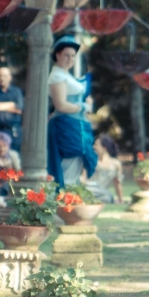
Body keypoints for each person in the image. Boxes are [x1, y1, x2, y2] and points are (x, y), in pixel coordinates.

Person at [47, 36, 97, 187]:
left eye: (73, 55)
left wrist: (85, 104)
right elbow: (60, 105)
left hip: (75, 126)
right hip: (66, 125)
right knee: (69, 164)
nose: (70, 59)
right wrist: (83, 106)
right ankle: (64, 202)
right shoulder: (57, 76)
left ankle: (69, 200)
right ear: (58, 55)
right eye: (66, 55)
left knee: (75, 165)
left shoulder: (66, 75)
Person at [85, 134, 124, 203]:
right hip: (89, 189)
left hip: (103, 193)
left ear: (104, 147)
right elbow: (83, 179)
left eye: (96, 145)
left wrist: (121, 200)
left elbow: (117, 183)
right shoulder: (91, 161)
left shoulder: (116, 164)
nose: (93, 147)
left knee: (108, 197)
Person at [0, 66, 24, 151]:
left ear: (10, 77)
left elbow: (18, 108)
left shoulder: (16, 91)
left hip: (13, 130)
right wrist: (11, 104)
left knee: (14, 157)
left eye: (4, 76)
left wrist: (0, 106)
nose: (2, 78)